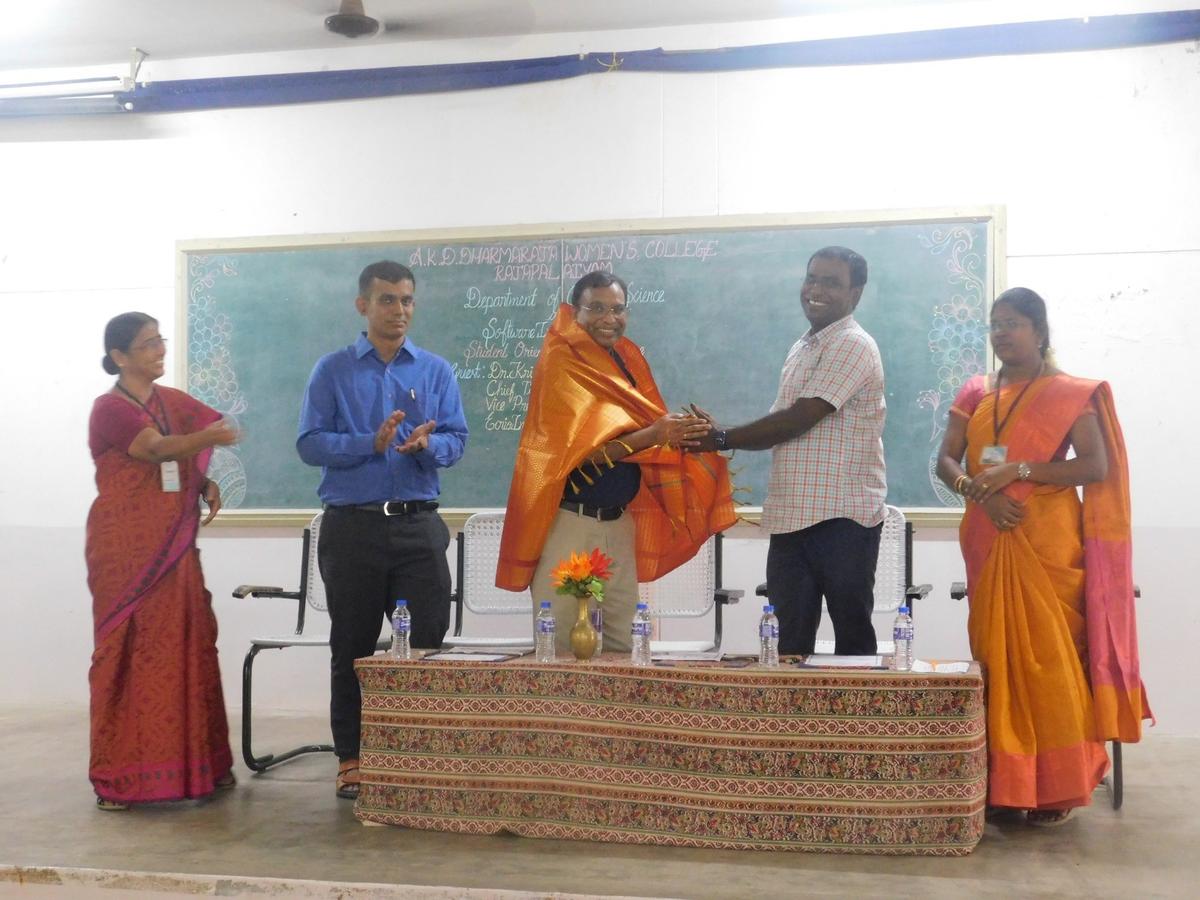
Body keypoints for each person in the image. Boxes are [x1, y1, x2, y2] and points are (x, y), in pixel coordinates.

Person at [936, 287, 1150, 826]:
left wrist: (1019, 471)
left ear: (1039, 330)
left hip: (1049, 537)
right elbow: (945, 459)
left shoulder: (1067, 393)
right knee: (997, 660)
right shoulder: (976, 390)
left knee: (1052, 663)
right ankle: (1006, 787)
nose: (1001, 333)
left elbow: (1094, 467)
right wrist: (974, 487)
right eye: (994, 325)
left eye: (1012, 323)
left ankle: (1056, 789)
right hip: (988, 532)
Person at [496, 271, 737, 653]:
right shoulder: (562, 361)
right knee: (560, 645)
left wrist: (689, 432)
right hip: (571, 523)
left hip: (618, 523)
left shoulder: (626, 359)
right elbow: (579, 454)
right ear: (575, 312)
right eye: (596, 308)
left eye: (617, 309)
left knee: (627, 644)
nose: (609, 318)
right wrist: (656, 434)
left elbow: (644, 429)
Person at [297, 260, 467, 799]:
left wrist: (429, 446)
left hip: (418, 527)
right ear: (363, 306)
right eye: (388, 300)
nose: (400, 310)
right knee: (353, 646)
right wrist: (365, 444)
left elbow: (458, 439)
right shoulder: (332, 371)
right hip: (353, 530)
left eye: (408, 300)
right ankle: (352, 757)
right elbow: (309, 443)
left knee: (425, 643)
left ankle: (417, 755)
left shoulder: (435, 371)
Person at [690, 246, 886, 656]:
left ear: (856, 293)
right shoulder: (803, 347)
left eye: (831, 282)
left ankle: (859, 722)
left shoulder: (852, 344)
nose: (816, 289)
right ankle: (793, 721)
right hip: (792, 516)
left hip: (842, 518)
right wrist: (718, 434)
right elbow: (779, 423)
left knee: (852, 640)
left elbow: (800, 418)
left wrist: (722, 438)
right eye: (811, 278)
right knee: (786, 642)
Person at [86, 312, 240, 810]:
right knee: (130, 655)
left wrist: (205, 481)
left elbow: (185, 450)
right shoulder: (109, 409)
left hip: (174, 553)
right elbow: (155, 450)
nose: (159, 350)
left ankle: (204, 766)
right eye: (148, 344)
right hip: (127, 555)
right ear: (119, 357)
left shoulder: (169, 403)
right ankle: (120, 778)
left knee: (189, 647)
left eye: (160, 340)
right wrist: (208, 441)